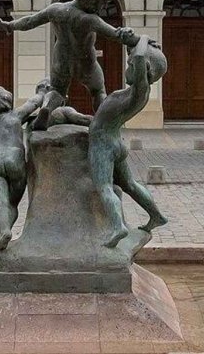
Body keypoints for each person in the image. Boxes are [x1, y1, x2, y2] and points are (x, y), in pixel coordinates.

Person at [50, 36, 169, 248]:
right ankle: (156, 216)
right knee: (130, 185)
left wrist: (142, 40)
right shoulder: (134, 92)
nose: (127, 67)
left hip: (103, 145)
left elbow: (141, 57)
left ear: (143, 70)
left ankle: (117, 227)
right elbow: (138, 56)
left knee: (103, 186)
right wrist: (132, 45)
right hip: (115, 142)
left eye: (130, 64)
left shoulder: (139, 91)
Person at [0, 0, 138, 129]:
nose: (103, 6)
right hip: (85, 62)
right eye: (103, 1)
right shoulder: (90, 19)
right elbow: (116, 35)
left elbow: (29, 21)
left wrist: (9, 25)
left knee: (57, 91)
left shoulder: (56, 9)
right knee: (97, 91)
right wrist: (138, 40)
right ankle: (103, 124)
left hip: (61, 60)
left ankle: (46, 108)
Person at [0, 79, 51, 252]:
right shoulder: (15, 117)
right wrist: (41, 92)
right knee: (12, 204)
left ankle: (4, 230)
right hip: (14, 159)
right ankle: (6, 230)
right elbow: (33, 103)